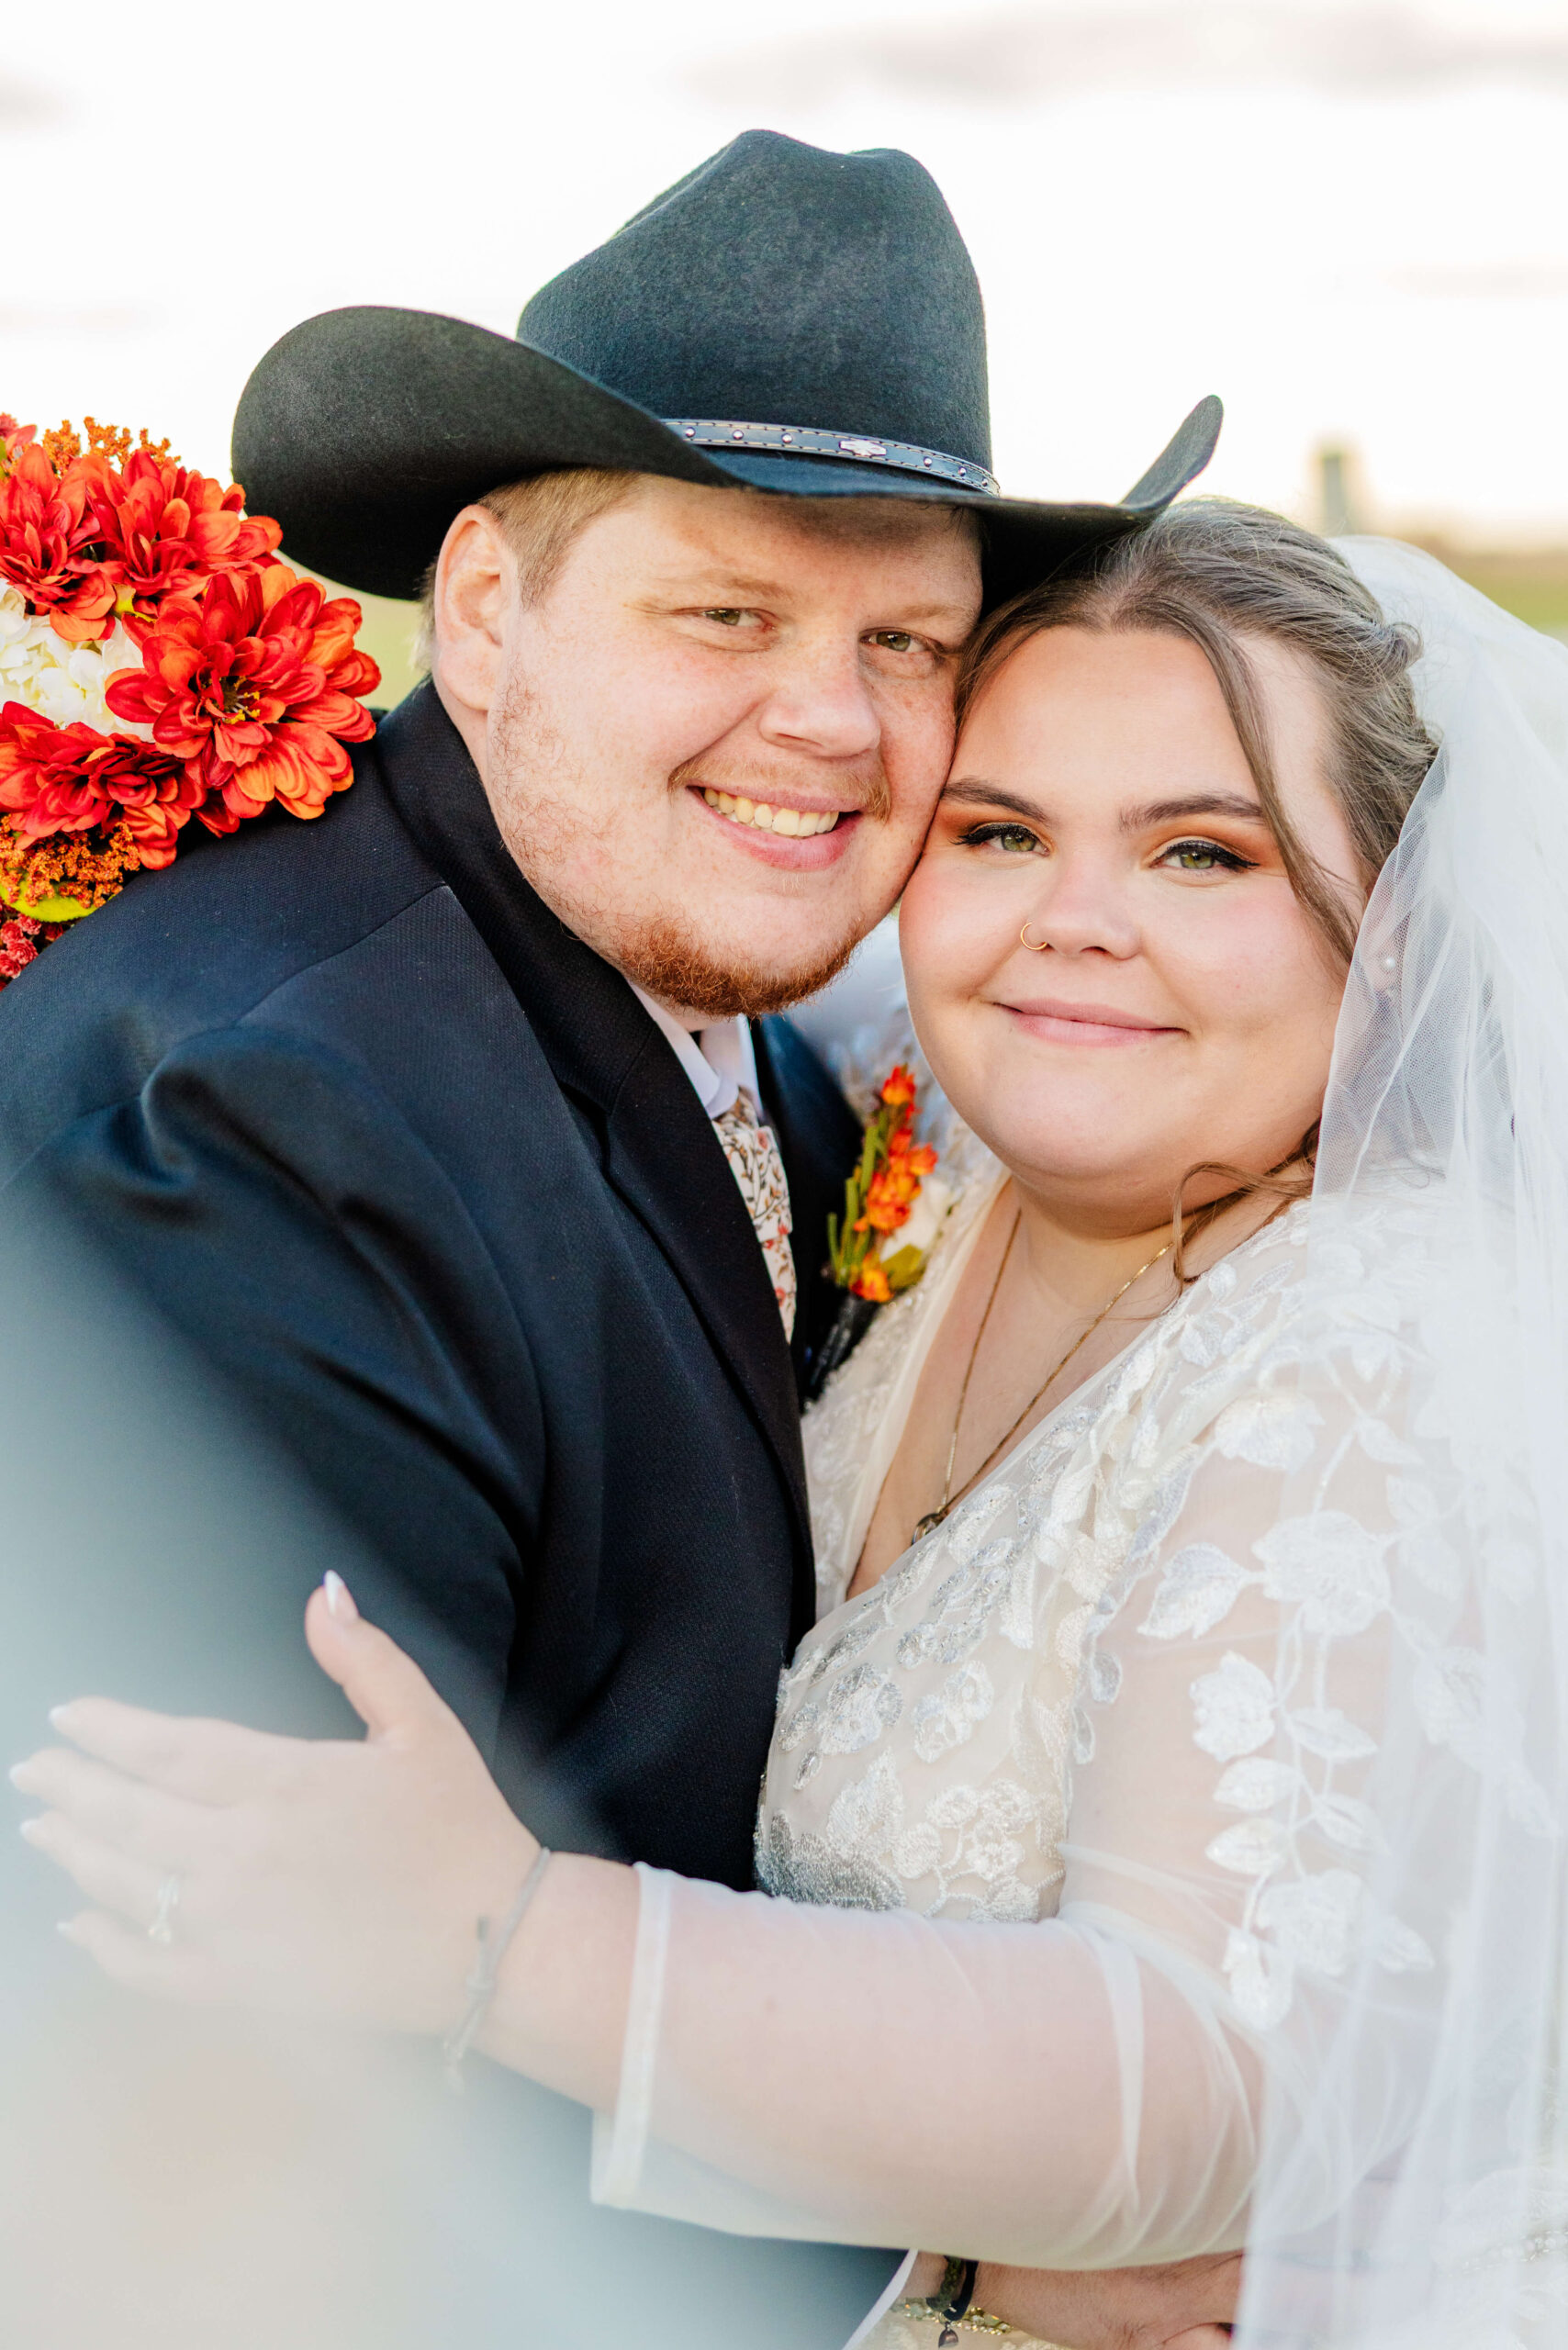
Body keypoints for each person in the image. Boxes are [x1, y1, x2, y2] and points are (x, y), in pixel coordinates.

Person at [28, 498, 1568, 2348]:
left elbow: (1201, 2070)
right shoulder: (921, 1174)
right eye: (997, 832)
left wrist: (505, 1934)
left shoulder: (1380, 1351)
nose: (1074, 923)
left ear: (1390, 931)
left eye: (1200, 854)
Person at [0, 131, 1223, 2346]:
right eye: (724, 613)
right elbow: (244, 2054)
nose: (830, 721)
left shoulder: (751, 1028)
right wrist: (956, 2254)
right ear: (484, 610)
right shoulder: (270, 1117)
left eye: (903, 638)